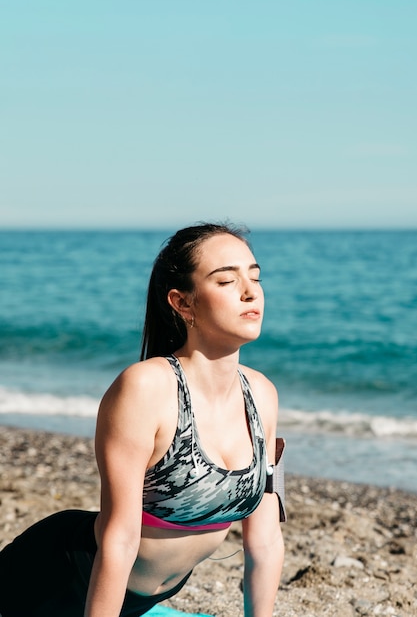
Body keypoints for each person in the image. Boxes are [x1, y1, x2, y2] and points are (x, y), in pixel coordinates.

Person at [0, 222, 285, 616]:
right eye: (226, 281)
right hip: (52, 582)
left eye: (255, 277)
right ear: (182, 303)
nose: (251, 291)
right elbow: (120, 539)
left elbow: (266, 540)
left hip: (138, 603)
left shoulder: (263, 396)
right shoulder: (147, 389)